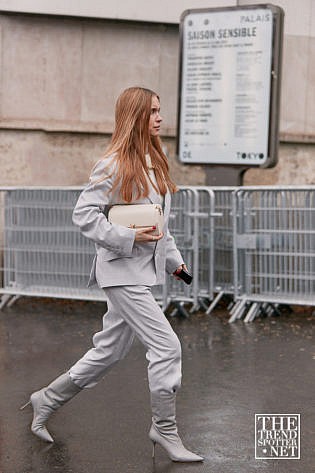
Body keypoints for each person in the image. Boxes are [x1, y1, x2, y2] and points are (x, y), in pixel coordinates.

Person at [21, 87, 203, 462]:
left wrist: (175, 262)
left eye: (159, 110)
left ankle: (47, 398)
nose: (160, 118)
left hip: (140, 272)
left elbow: (159, 226)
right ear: (135, 116)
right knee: (167, 347)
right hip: (121, 273)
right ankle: (164, 429)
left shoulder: (154, 159)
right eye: (152, 111)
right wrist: (127, 236)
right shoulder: (113, 162)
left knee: (109, 351)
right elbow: (84, 214)